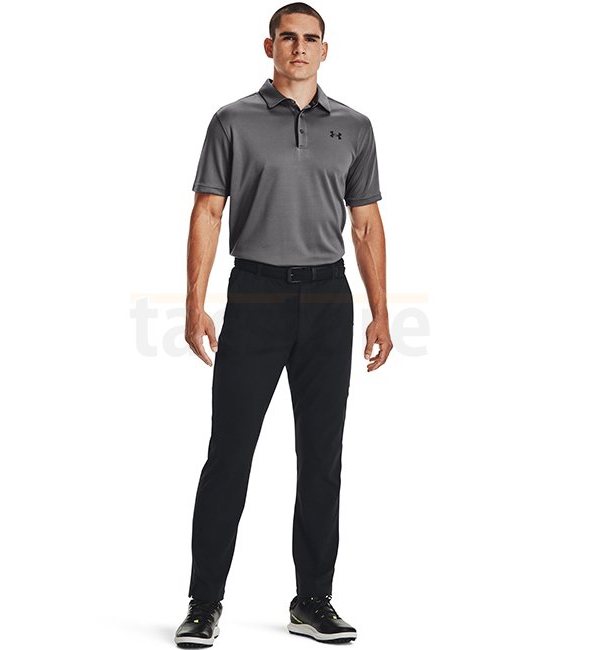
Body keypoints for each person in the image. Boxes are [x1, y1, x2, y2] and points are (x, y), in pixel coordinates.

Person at [175, 3, 392, 646]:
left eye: (310, 39)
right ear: (269, 46)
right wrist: (194, 302)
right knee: (229, 454)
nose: (299, 48)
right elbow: (208, 211)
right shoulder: (232, 120)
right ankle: (204, 602)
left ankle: (313, 600)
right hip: (256, 294)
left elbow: (366, 225)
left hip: (328, 298)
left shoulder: (354, 127)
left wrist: (381, 310)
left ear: (326, 49)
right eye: (288, 37)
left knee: (322, 458)